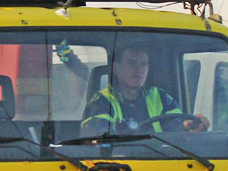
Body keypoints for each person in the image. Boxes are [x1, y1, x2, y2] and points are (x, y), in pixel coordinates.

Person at [81, 45, 209, 136]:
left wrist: (191, 126)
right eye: (132, 63)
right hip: (119, 164)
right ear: (116, 68)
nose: (139, 69)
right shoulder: (102, 100)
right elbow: (94, 133)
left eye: (143, 64)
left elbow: (177, 125)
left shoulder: (159, 96)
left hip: (160, 162)